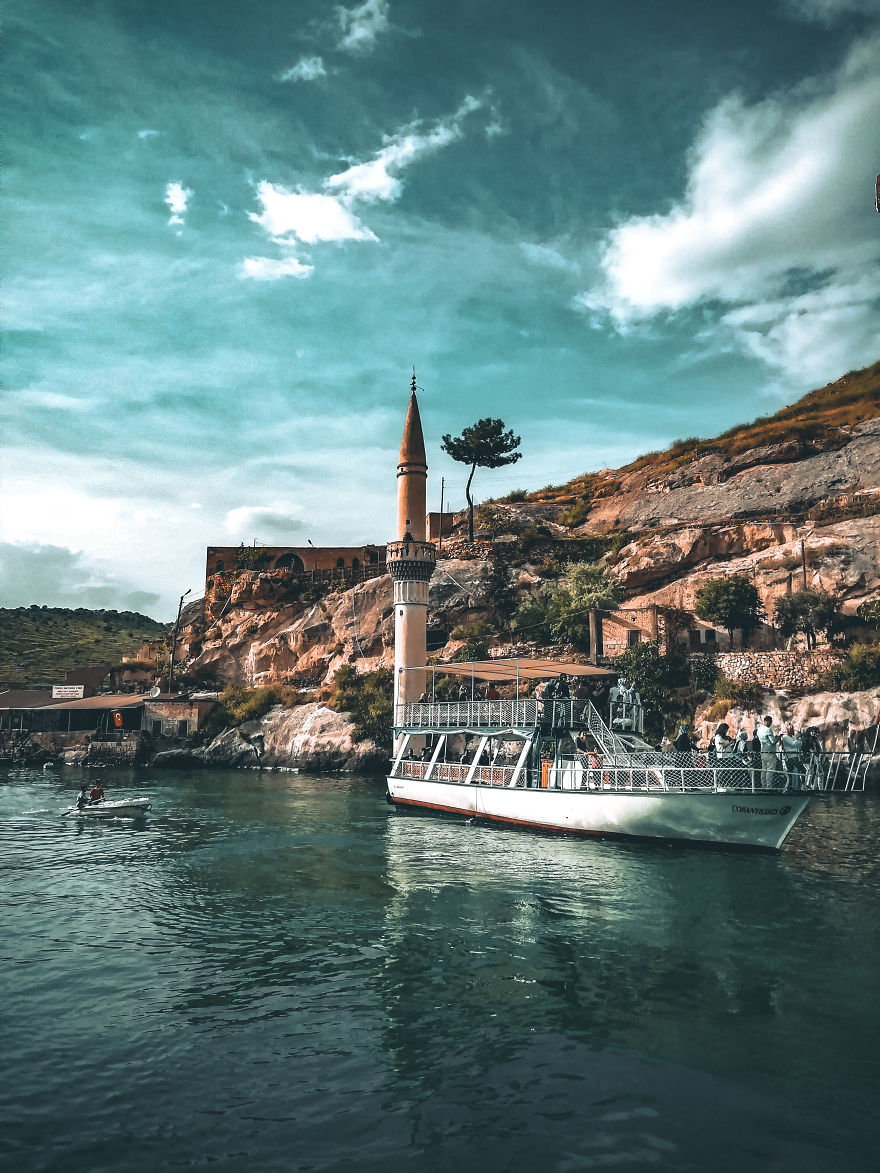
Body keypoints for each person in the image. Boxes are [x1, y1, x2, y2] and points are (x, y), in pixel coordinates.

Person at [756, 715, 779, 789]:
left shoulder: (759, 729)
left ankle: (763, 785)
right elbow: (773, 741)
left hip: (763, 751)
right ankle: (769, 787)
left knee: (763, 770)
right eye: (770, 722)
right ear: (768, 721)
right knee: (770, 770)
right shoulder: (768, 730)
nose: (770, 723)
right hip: (770, 752)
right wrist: (778, 738)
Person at [780, 723, 804, 790]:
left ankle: (799, 786)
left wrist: (797, 739)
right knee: (791, 772)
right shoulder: (785, 738)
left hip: (796, 756)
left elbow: (800, 744)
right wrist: (797, 738)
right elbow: (793, 744)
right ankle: (789, 787)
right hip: (790, 757)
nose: (793, 730)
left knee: (800, 770)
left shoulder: (792, 737)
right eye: (791, 729)